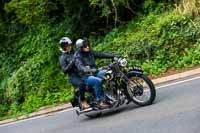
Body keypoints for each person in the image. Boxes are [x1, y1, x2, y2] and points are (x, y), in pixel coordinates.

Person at [75, 38, 117, 108]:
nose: (87, 47)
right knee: (97, 81)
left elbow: (101, 54)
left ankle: (111, 93)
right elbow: (81, 67)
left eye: (87, 45)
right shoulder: (78, 57)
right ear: (80, 47)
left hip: (95, 72)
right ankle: (100, 101)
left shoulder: (90, 52)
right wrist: (91, 70)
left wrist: (113, 55)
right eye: (85, 46)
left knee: (109, 73)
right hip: (86, 77)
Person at [59, 37, 90, 109]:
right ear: (63, 47)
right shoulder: (62, 58)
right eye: (67, 46)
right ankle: (83, 100)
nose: (69, 47)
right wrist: (72, 62)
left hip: (81, 74)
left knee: (93, 80)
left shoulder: (74, 53)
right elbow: (65, 70)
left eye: (70, 45)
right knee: (81, 84)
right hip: (73, 77)